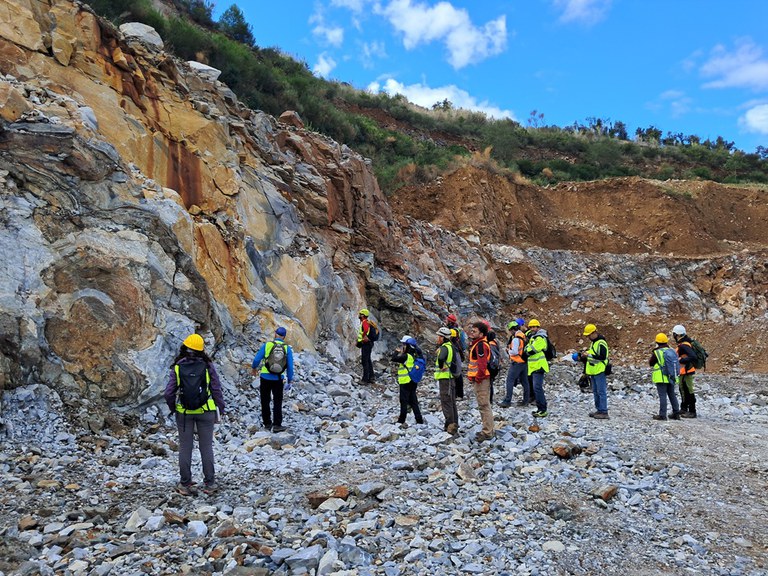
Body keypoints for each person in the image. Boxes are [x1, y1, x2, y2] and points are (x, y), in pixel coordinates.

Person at [165, 333, 226, 496]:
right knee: (206, 447)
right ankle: (209, 483)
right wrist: (221, 408)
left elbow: (169, 393)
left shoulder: (178, 366)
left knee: (186, 447)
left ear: (185, 347)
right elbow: (216, 388)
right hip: (206, 411)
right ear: (201, 349)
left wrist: (173, 408)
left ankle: (185, 484)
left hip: (184, 414)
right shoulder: (207, 365)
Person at [251, 327, 295, 432]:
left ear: (275, 334)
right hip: (278, 378)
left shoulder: (267, 345)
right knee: (277, 401)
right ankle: (277, 425)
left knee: (265, 400)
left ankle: (267, 423)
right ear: (284, 337)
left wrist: (254, 368)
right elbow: (290, 366)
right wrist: (290, 379)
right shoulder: (287, 348)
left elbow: (257, 359)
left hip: (265, 376)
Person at [467, 321, 494, 441]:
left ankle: (487, 432)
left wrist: (478, 377)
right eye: (471, 330)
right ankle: (487, 429)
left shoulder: (480, 345)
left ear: (481, 333)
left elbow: (482, 364)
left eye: (474, 331)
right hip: (480, 379)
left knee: (483, 404)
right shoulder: (478, 344)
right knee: (483, 404)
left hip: (481, 380)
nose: (472, 332)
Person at [577, 324, 610, 420]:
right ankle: (599, 409)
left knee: (601, 391)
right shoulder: (594, 343)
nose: (588, 337)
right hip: (594, 370)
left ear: (594, 332)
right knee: (596, 391)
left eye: (589, 335)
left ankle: (604, 411)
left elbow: (602, 357)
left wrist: (589, 355)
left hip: (600, 370)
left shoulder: (601, 343)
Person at [390, 335, 424, 425]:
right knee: (413, 401)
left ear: (408, 346)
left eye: (404, 345)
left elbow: (393, 358)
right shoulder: (415, 355)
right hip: (413, 380)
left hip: (405, 381)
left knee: (403, 401)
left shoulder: (406, 356)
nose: (402, 346)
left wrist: (396, 351)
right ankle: (419, 420)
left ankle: (401, 420)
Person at [649, 332, 682, 421]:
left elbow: (651, 363)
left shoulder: (657, 352)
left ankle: (662, 415)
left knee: (662, 395)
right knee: (672, 394)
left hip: (661, 376)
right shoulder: (672, 351)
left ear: (657, 341)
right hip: (671, 375)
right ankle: (676, 413)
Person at [434, 327, 459, 434]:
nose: (437, 338)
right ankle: (454, 424)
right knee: (452, 402)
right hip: (451, 378)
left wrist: (440, 366)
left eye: (438, 336)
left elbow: (441, 358)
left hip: (445, 378)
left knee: (446, 402)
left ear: (442, 337)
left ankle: (449, 426)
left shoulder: (444, 347)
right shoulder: (451, 346)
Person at [524, 319, 549, 418]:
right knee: (536, 388)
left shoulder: (540, 338)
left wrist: (528, 349)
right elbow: (528, 349)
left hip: (539, 366)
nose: (533, 329)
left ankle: (542, 409)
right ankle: (540, 408)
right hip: (534, 367)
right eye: (531, 327)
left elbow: (531, 349)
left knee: (537, 388)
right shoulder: (533, 338)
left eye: (535, 327)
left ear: (538, 327)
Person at [672, 324, 698, 418]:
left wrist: (681, 360)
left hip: (687, 371)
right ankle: (683, 409)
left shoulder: (684, 345)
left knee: (689, 391)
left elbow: (693, 357)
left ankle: (692, 411)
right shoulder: (683, 344)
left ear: (677, 335)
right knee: (683, 390)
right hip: (683, 372)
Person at [501, 321, 528, 407]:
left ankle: (507, 401)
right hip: (524, 362)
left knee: (510, 381)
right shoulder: (523, 337)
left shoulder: (516, 339)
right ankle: (526, 400)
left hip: (517, 362)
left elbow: (515, 352)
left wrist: (508, 350)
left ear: (512, 329)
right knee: (525, 382)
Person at [446, 313, 467, 398]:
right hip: (456, 352)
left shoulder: (453, 331)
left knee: (457, 373)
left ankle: (458, 394)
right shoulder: (456, 329)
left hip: (455, 352)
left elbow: (450, 340)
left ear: (450, 322)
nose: (446, 321)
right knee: (456, 372)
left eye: (447, 320)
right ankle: (457, 393)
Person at [357, 309, 376, 384]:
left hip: (366, 344)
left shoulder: (364, 322)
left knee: (365, 361)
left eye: (360, 314)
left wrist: (363, 336)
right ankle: (371, 377)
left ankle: (365, 379)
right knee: (368, 360)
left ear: (363, 315)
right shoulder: (368, 322)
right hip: (369, 343)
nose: (359, 315)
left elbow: (365, 330)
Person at [486, 329, 501, 403]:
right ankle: (490, 399)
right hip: (495, 366)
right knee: (491, 382)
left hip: (491, 366)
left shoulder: (489, 344)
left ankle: (489, 399)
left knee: (489, 383)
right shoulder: (495, 343)